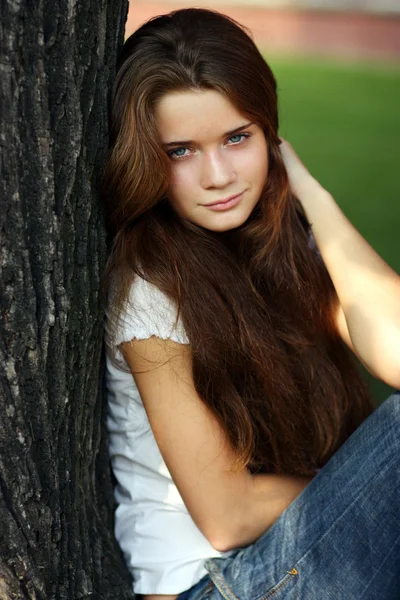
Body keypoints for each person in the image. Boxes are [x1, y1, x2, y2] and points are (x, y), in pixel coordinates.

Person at [101, 7, 400, 600]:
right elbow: (226, 514)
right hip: (219, 586)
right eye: (181, 151)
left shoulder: (279, 242)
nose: (218, 175)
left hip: (281, 562)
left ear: (270, 134)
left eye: (237, 138)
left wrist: (309, 192)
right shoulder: (149, 289)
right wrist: (356, 489)